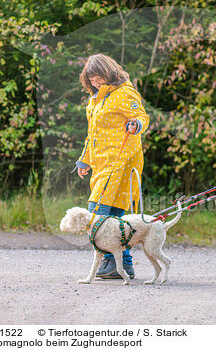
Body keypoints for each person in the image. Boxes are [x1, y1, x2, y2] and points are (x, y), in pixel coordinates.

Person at [75, 54, 149, 279]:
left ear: (108, 72)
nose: (95, 82)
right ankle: (123, 265)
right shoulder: (95, 99)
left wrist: (135, 125)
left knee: (97, 213)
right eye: (92, 79)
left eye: (98, 77)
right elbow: (93, 135)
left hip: (121, 160)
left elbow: (141, 116)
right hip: (102, 163)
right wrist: (84, 159)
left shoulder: (125, 92)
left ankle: (110, 261)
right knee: (115, 215)